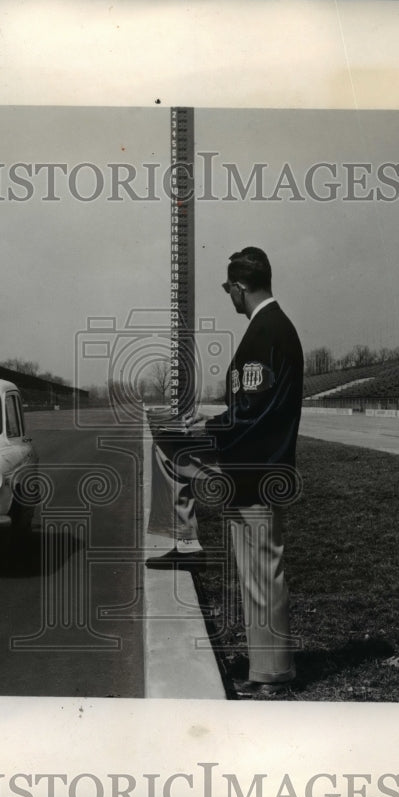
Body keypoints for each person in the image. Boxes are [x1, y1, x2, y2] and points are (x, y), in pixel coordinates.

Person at [147, 246, 304, 696]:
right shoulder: (269, 328)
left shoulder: (268, 331)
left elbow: (254, 414)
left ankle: (274, 675)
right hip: (249, 465)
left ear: (238, 287)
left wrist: (210, 428)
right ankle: (266, 671)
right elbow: (251, 409)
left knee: (262, 574)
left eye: (228, 289)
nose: (228, 296)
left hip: (258, 469)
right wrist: (212, 424)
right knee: (255, 576)